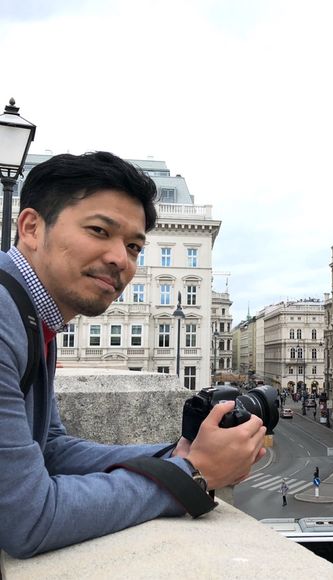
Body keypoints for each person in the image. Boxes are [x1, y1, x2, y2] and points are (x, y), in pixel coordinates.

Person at [0, 152, 267, 559]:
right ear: (32, 228)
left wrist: (175, 453)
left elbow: (50, 450)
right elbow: (28, 519)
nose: (120, 260)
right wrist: (191, 474)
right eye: (99, 230)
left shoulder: (31, 316)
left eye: (133, 246)